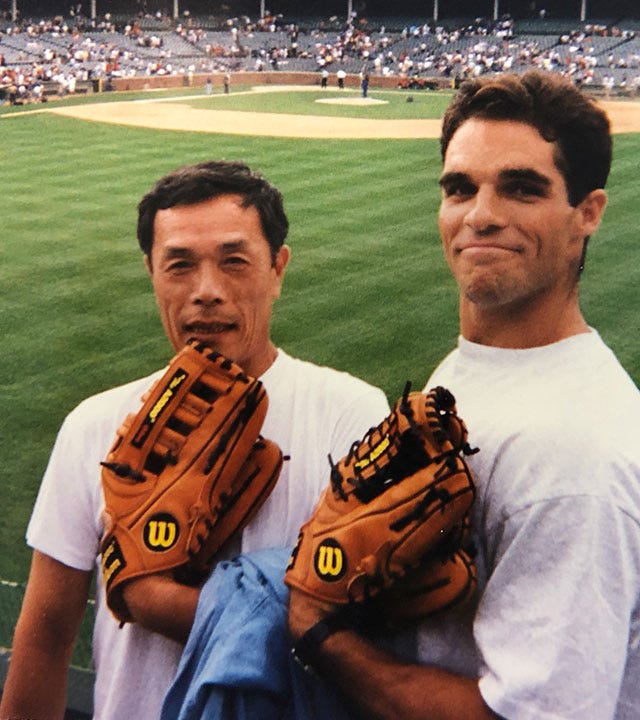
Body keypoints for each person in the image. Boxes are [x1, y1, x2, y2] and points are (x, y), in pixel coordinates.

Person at [288, 70, 640, 719]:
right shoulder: (473, 367)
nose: (480, 215)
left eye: (521, 188)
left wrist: (319, 632)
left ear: (587, 213)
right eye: (459, 188)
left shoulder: (574, 454)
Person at [0, 161, 389, 720]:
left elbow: (358, 630)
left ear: (278, 269)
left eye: (234, 262)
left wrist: (149, 595)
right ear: (151, 272)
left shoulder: (351, 415)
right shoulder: (94, 424)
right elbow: (46, 633)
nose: (206, 292)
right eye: (179, 265)